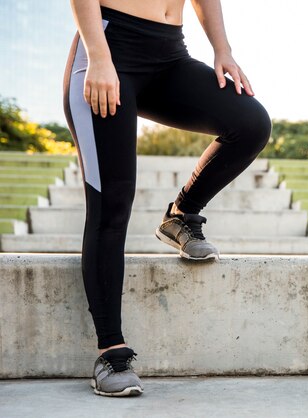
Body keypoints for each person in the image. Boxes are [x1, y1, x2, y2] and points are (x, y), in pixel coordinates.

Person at [63, 0, 271, 397]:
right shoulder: (101, 52)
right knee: (112, 203)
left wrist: (222, 50)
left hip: (170, 53)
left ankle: (181, 214)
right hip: (108, 47)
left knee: (250, 123)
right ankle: (111, 351)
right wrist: (98, 56)